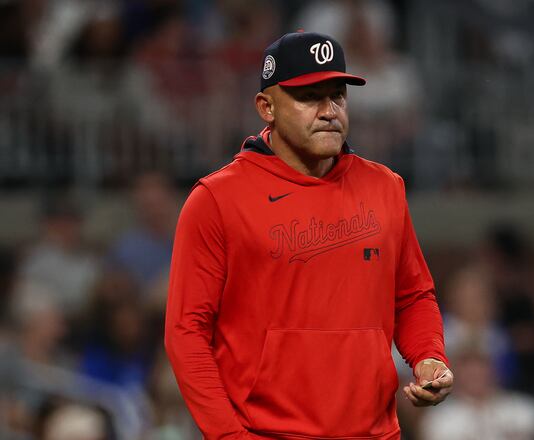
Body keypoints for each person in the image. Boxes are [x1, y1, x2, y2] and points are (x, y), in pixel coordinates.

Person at [164, 32, 453, 440]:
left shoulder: (384, 187)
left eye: (337, 95)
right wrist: (229, 435)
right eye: (308, 97)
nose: (328, 110)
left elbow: (412, 297)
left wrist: (429, 357)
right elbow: (186, 333)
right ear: (267, 107)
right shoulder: (217, 199)